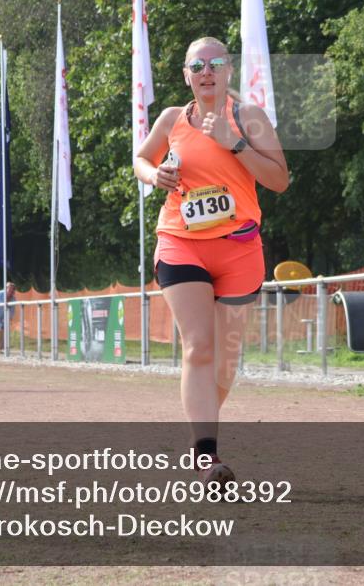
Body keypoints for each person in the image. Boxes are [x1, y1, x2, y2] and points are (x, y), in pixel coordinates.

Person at [133, 37, 288, 485]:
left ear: (228, 71)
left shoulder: (249, 118)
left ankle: (200, 431)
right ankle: (208, 458)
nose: (206, 71)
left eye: (215, 63)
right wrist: (154, 173)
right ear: (186, 75)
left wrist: (234, 143)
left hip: (239, 248)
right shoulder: (171, 120)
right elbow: (141, 158)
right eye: (197, 65)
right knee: (199, 346)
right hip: (181, 242)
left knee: (225, 359)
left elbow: (279, 180)